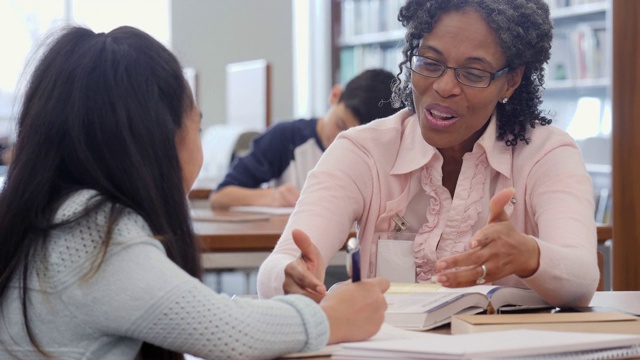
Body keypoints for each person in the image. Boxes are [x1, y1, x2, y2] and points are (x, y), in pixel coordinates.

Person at [0, 26, 390, 360]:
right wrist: (332, 318)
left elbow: (198, 315)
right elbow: (227, 331)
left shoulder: (52, 212)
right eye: (197, 126)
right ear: (155, 139)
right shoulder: (98, 234)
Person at [257, 0, 599, 307]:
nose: (444, 86)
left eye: (473, 73)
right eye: (430, 62)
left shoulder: (547, 154)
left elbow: (582, 279)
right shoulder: (363, 151)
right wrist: (289, 278)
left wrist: (529, 256)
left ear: (510, 81)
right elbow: (280, 265)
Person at [209, 68, 398, 209]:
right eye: (340, 126)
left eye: (357, 140)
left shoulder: (376, 157)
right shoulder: (286, 137)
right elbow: (220, 197)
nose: (342, 142)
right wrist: (272, 197)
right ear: (335, 95)